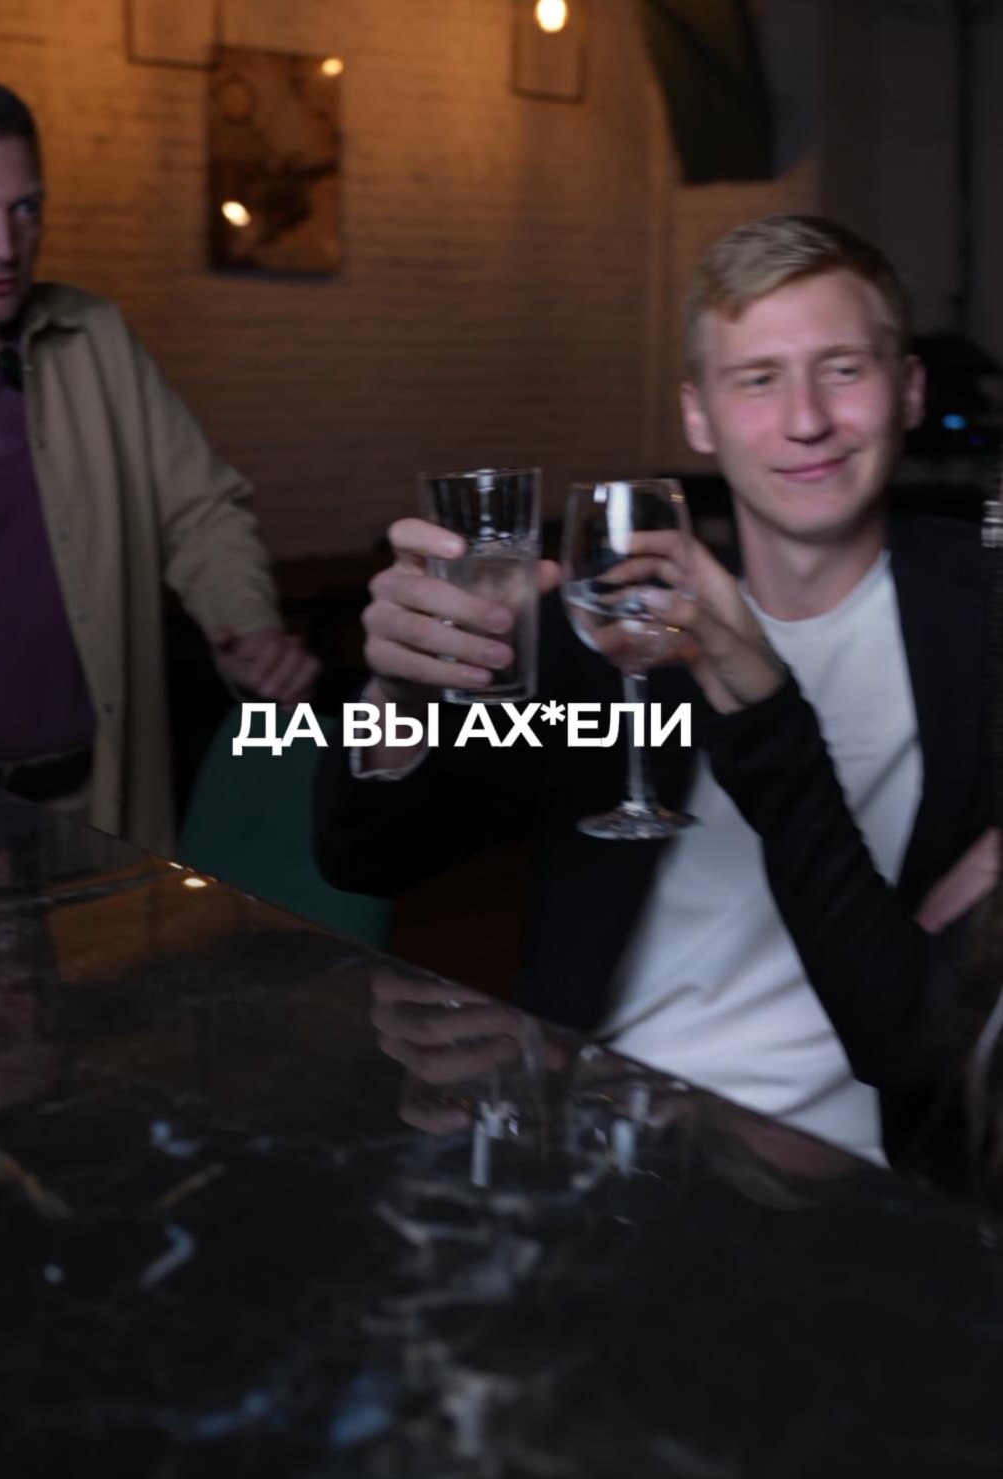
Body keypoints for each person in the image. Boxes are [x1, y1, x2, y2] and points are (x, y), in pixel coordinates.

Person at [315, 213, 996, 1170]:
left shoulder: (980, 605)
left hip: (871, 1166)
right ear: (697, 416)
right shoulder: (607, 626)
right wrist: (397, 691)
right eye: (756, 379)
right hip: (605, 1134)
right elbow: (368, 857)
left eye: (843, 368)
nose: (805, 420)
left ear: (910, 389)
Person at [0, 79, 317, 852]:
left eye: (26, 209)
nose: (4, 246)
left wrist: (247, 625)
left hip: (100, 802)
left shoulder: (97, 336)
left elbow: (200, 511)